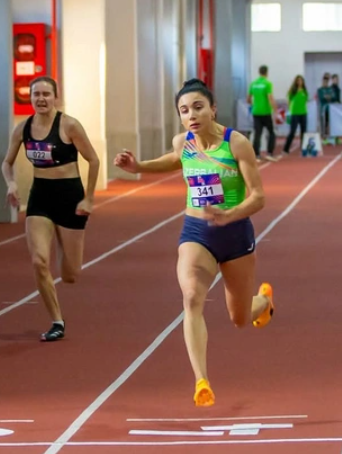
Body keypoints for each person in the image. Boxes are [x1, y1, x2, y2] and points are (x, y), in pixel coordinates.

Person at [113, 78, 275, 407]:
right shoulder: (183, 142)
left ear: (213, 109)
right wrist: (139, 166)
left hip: (235, 234)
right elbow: (173, 160)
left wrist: (230, 214)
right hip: (197, 232)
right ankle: (202, 381)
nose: (192, 115)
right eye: (184, 111)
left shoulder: (236, 143)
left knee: (240, 318)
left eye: (198, 107)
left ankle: (263, 303)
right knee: (191, 297)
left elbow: (258, 197)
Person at [1, 76, 101, 342]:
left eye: (46, 94)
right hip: (40, 198)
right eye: (36, 94)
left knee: (70, 275)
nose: (41, 99)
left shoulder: (69, 125)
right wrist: (11, 184)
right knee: (38, 261)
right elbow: (6, 162)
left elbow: (93, 160)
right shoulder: (23, 129)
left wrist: (89, 198)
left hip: (70, 197)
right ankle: (57, 321)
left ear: (56, 97)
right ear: (30, 97)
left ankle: (62, 239)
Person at [247, 65, 279, 160]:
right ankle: (269, 153)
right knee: (271, 132)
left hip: (256, 111)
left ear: (259, 72)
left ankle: (256, 154)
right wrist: (275, 109)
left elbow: (248, 99)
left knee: (258, 133)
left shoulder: (253, 84)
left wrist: (254, 105)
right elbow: (270, 98)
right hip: (266, 112)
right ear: (267, 72)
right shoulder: (267, 84)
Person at [284, 75, 309, 154]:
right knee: (292, 131)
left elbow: (306, 100)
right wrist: (290, 109)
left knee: (304, 132)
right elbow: (288, 100)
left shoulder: (304, 91)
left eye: (301, 80)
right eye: (298, 80)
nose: (299, 82)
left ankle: (303, 148)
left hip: (303, 113)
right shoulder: (293, 91)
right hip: (294, 113)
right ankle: (286, 149)